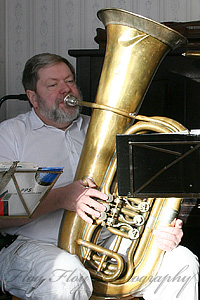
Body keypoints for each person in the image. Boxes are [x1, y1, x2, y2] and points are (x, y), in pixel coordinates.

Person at [0, 53, 198, 300]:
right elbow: (2, 212)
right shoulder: (11, 134)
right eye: (53, 85)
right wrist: (64, 197)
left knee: (183, 263)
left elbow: (139, 195)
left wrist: (160, 228)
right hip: (33, 246)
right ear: (33, 97)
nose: (66, 90)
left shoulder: (101, 128)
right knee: (66, 275)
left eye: (70, 81)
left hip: (107, 245)